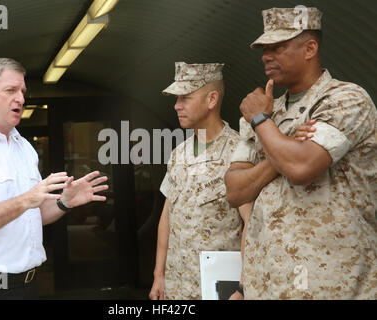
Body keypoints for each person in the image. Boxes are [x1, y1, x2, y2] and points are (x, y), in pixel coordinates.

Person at [225, 7, 376, 299]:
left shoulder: (345, 99)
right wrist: (282, 143)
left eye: (277, 47)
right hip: (268, 280)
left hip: (330, 281)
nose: (266, 56)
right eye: (264, 49)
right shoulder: (271, 110)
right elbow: (235, 191)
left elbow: (301, 169)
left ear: (310, 48)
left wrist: (260, 123)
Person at [0, 58, 109, 300]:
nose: (21, 99)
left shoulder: (23, 147)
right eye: (10, 90)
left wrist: (63, 202)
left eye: (23, 91)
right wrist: (25, 200)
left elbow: (31, 216)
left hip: (26, 287)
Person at [149, 62, 250, 300]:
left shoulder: (240, 152)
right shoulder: (178, 154)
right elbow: (167, 216)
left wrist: (243, 286)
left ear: (211, 99)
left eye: (185, 97)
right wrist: (159, 275)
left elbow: (253, 223)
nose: (177, 106)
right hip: (177, 287)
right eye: (176, 98)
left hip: (219, 289)